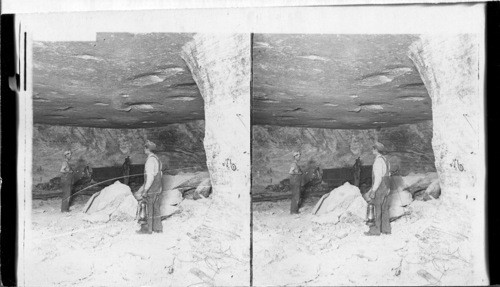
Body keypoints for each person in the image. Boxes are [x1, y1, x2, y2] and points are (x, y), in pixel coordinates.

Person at [134, 140, 163, 234]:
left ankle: (147, 229)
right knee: (155, 207)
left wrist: (145, 190)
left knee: (146, 207)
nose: (144, 149)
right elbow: (160, 174)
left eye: (144, 148)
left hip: (151, 188)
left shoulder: (150, 161)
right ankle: (157, 228)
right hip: (157, 187)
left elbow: (150, 177)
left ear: (147, 149)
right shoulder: (157, 159)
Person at [364, 142, 391, 236]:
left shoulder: (378, 161)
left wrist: (373, 190)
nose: (372, 150)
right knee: (384, 209)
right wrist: (388, 188)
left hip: (380, 187)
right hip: (386, 186)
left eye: (373, 149)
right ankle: (386, 229)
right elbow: (389, 174)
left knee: (377, 209)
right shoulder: (386, 160)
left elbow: (378, 178)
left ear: (376, 150)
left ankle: (375, 230)